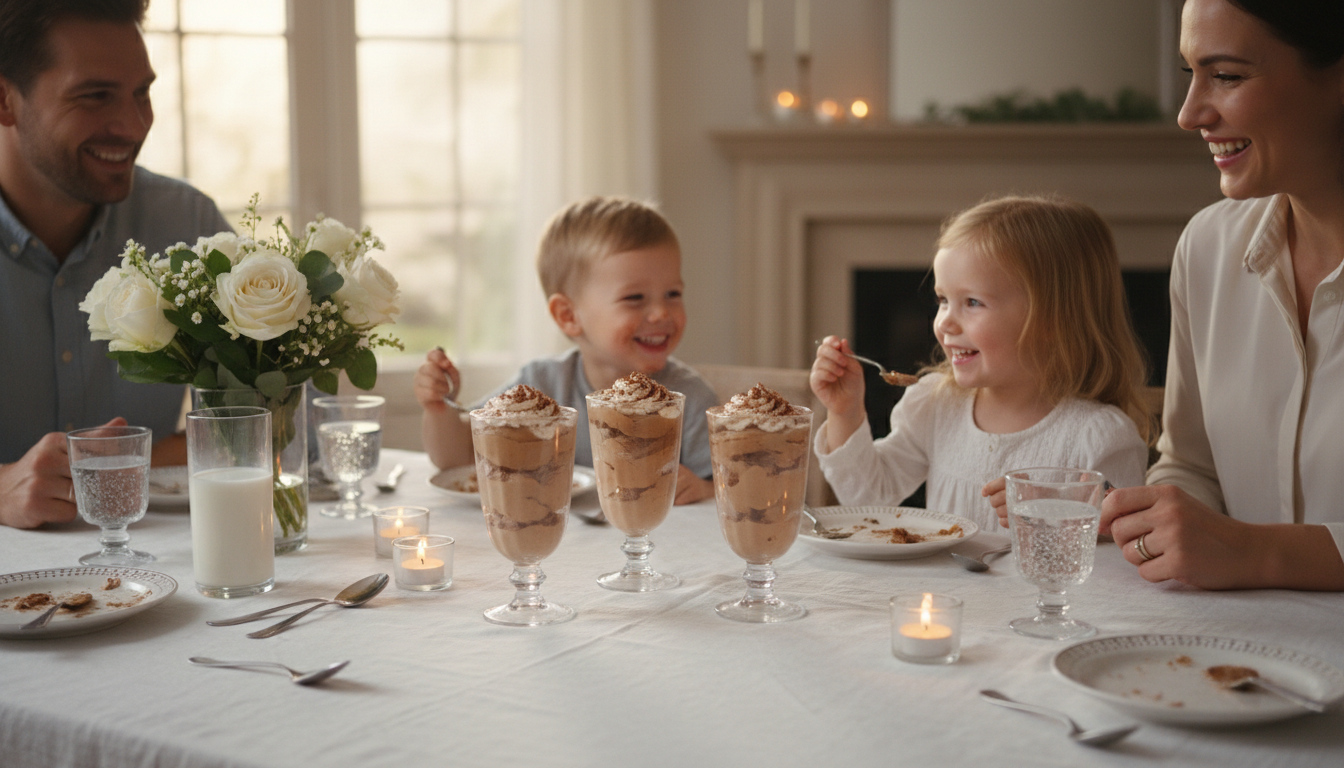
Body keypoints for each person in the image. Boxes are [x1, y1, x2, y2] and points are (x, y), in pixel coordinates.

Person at [1099, 0, 1344, 590]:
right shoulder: (1208, 247)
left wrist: (1260, 553)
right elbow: (1190, 464)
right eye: (1190, 74)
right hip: (1233, 654)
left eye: (1227, 75)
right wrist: (1154, 518)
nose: (1189, 114)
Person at [0, 0, 230, 529]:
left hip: (164, 581)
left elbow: (274, 426)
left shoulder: (187, 224)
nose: (132, 124)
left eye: (141, 93)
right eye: (95, 96)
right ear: (5, 99)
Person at [810, 195, 1152, 533]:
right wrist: (845, 412)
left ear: (1052, 319)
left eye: (972, 302)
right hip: (948, 591)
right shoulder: (935, 404)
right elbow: (871, 495)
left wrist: (1054, 510)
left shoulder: (1097, 437)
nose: (944, 322)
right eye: (943, 300)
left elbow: (1121, 550)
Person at [414, 196, 717, 505]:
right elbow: (460, 458)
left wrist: (704, 489)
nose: (660, 313)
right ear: (568, 316)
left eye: (673, 294)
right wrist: (438, 407)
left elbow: (736, 488)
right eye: (635, 297)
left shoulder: (688, 400)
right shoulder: (540, 386)